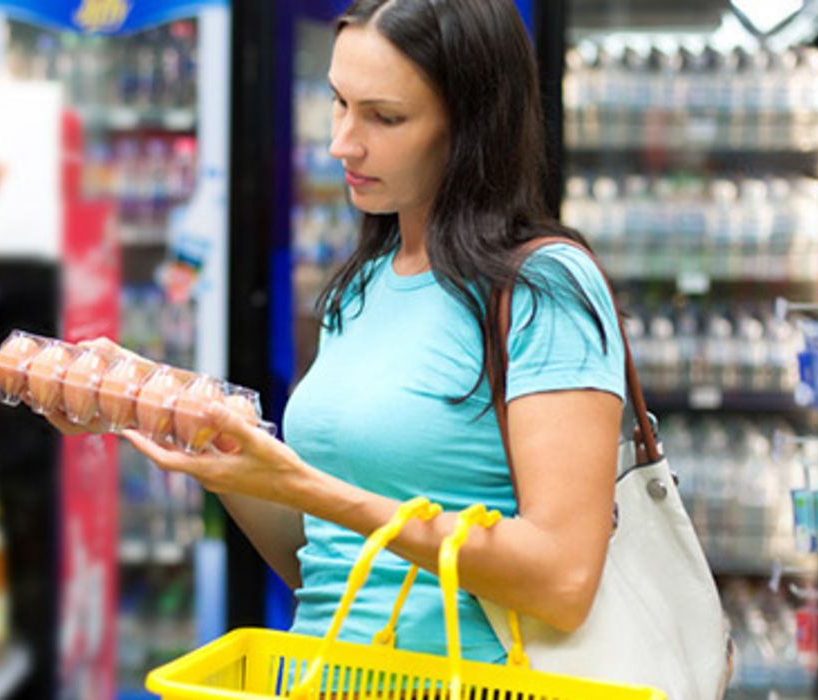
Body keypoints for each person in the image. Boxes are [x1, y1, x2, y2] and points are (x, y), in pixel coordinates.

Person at [53, 0, 626, 664]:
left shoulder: (543, 287)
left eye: (384, 117)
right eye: (338, 103)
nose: (342, 143)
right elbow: (326, 565)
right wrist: (187, 421)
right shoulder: (359, 287)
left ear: (471, 125)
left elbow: (562, 580)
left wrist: (306, 486)